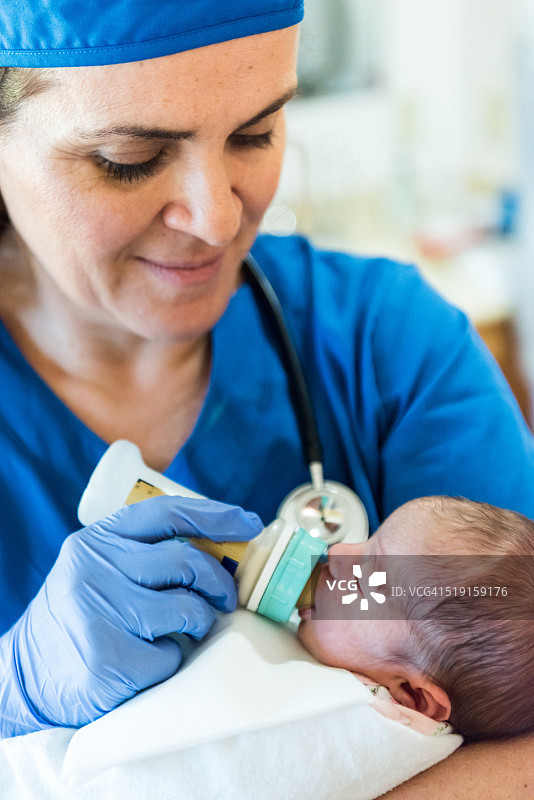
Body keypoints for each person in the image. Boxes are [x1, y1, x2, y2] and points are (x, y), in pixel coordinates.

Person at [0, 1, 533, 795]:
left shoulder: (388, 346)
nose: (217, 220)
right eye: (128, 159)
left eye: (255, 134)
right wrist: (14, 689)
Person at [298, 495, 534, 741]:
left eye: (360, 584)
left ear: (413, 696)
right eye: (370, 540)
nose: (337, 551)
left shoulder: (355, 727)